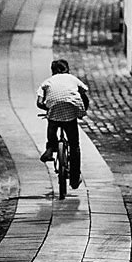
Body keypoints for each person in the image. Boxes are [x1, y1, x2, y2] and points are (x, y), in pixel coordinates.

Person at [36, 59, 89, 190]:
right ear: (67, 69)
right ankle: (74, 179)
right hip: (71, 111)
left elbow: (39, 102)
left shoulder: (47, 82)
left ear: (53, 71)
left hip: (54, 110)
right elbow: (84, 93)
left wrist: (48, 109)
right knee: (74, 145)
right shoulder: (72, 79)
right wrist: (82, 110)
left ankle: (50, 148)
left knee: (52, 123)